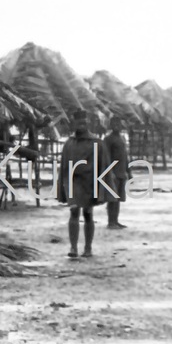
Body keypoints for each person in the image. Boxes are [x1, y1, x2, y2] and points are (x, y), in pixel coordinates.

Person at [57, 109, 113, 258]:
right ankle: (73, 247)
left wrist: (100, 187)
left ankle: (88, 248)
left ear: (87, 123)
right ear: (74, 124)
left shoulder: (96, 142)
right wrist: (63, 185)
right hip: (74, 182)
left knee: (88, 213)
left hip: (90, 182)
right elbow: (63, 167)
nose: (81, 125)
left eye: (83, 122)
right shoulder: (69, 143)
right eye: (78, 122)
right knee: (74, 211)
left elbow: (103, 165)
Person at [104, 116, 130, 229]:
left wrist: (129, 171)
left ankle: (116, 220)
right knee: (112, 198)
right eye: (114, 124)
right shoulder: (108, 139)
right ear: (111, 125)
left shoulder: (122, 138)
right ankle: (111, 222)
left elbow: (125, 156)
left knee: (118, 198)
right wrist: (110, 172)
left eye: (118, 124)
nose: (116, 126)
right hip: (113, 172)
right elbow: (106, 157)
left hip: (121, 172)